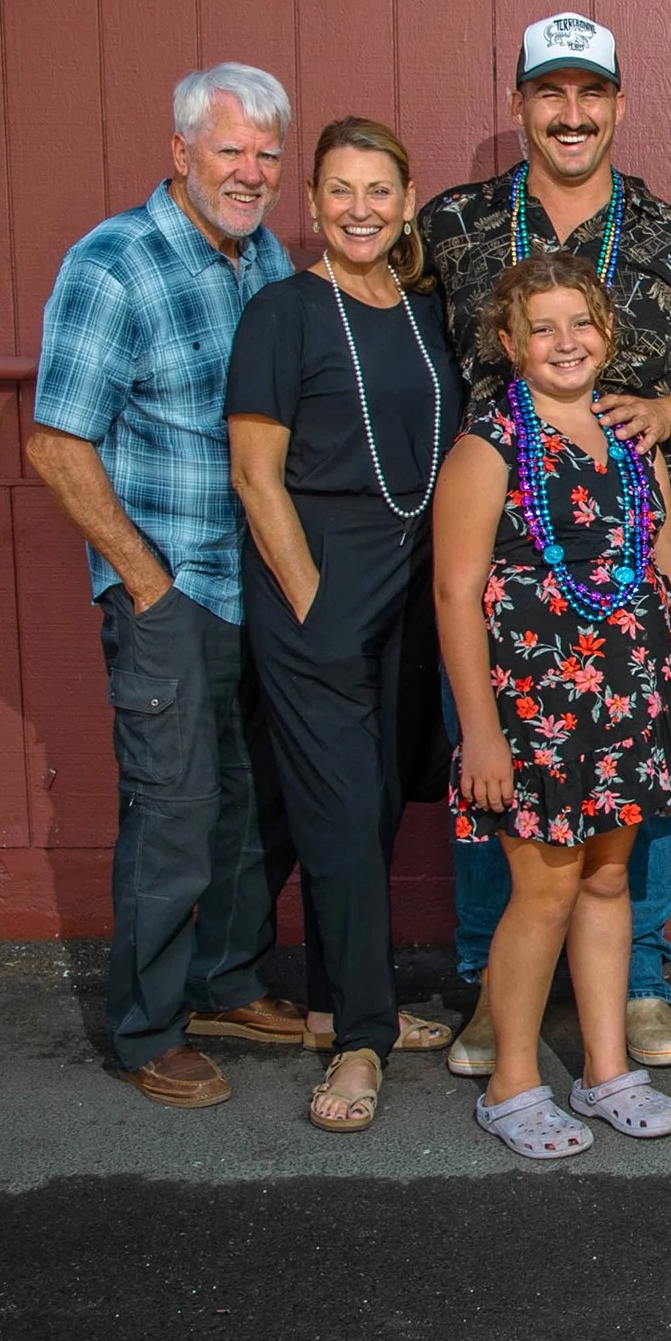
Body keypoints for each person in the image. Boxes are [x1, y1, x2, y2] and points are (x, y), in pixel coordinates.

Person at [419, 12, 671, 1075]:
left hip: (632, 579)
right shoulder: (451, 227)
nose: (571, 113)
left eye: (590, 93)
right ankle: (487, 997)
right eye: (550, 93)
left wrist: (670, 415)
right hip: (515, 581)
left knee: (624, 823)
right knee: (504, 813)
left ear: (618, 104)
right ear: (520, 107)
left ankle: (633, 991)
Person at [29, 63, 305, 1108]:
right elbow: (58, 443)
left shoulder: (261, 257)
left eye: (268, 154)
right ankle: (146, 1024)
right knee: (176, 807)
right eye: (231, 150)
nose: (252, 171)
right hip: (172, 585)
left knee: (250, 800)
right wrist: (146, 580)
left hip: (255, 586)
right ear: (179, 151)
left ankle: (227, 981)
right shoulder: (116, 263)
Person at [434, 253, 671, 1160]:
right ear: (509, 343)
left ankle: (604, 1067)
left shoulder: (632, 438)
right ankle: (512, 1083)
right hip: (535, 707)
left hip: (633, 693)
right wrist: (479, 730)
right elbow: (454, 590)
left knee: (606, 879)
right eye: (542, 328)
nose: (565, 342)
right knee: (543, 886)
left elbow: (667, 563)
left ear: (607, 333)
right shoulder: (488, 446)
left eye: (580, 324)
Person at [226, 116, 458, 1130]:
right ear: (311, 204)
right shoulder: (283, 311)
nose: (360, 208)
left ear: (407, 203)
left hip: (407, 588)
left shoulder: (421, 312)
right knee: (339, 810)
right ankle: (362, 1041)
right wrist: (310, 598)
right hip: (316, 589)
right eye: (339, 190)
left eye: (380, 190)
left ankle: (335, 999)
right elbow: (254, 473)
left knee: (366, 811)